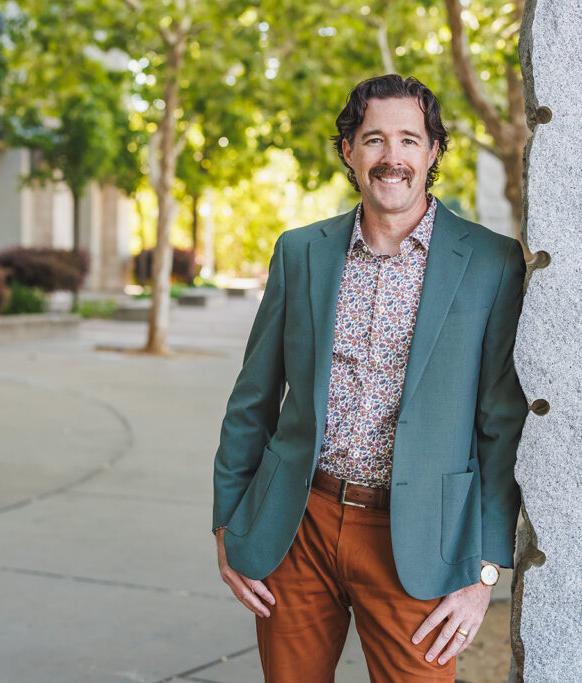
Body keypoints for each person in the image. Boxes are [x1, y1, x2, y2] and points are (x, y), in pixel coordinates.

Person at [211, 74, 528, 682]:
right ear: (349, 150)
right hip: (296, 527)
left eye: (409, 140)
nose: (392, 157)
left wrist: (485, 571)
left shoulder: (491, 262)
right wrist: (228, 524)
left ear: (433, 151)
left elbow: (501, 427)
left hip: (418, 542)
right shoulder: (300, 252)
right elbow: (252, 400)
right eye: (374, 138)